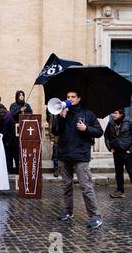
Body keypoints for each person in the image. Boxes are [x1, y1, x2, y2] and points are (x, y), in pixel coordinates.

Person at [51, 90, 104, 229]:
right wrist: (61, 118)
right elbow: (55, 131)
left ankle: (95, 216)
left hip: (81, 155)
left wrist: (86, 129)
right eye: (68, 97)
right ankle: (68, 211)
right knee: (66, 185)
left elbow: (99, 132)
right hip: (64, 154)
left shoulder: (88, 114)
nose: (70, 99)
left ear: (79, 98)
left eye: (73, 97)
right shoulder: (62, 112)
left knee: (85, 186)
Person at [104, 109, 132, 198]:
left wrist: (131, 150)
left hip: (127, 152)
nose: (113, 115)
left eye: (115, 113)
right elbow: (106, 136)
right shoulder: (111, 123)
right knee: (118, 173)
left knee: (131, 171)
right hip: (117, 152)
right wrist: (110, 148)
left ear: (121, 114)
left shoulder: (129, 122)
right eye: (113, 113)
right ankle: (120, 191)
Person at [9, 90, 33, 174]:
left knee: (25, 150)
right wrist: (20, 110)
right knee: (16, 150)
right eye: (20, 95)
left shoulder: (27, 105)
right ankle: (17, 168)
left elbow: (30, 114)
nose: (21, 96)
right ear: (17, 96)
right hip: (16, 132)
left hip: (25, 130)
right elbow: (12, 114)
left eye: (22, 95)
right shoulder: (13, 105)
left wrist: (25, 112)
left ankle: (25, 168)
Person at [0, 108, 16, 174]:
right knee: (8, 157)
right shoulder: (2, 119)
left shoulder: (10, 120)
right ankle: (9, 169)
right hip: (5, 140)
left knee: (14, 156)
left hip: (12, 141)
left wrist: (8, 142)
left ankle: (17, 170)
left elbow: (12, 132)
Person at [46, 109, 59, 177]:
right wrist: (52, 139)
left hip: (65, 139)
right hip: (57, 139)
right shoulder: (53, 115)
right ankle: (56, 170)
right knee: (56, 155)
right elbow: (51, 127)